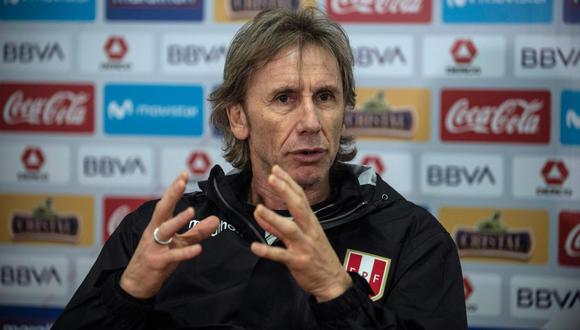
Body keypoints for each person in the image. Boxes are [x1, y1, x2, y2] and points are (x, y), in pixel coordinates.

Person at [54, 7, 467, 330]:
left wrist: (337, 293)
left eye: (325, 97)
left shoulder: (413, 239)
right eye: (284, 98)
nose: (310, 122)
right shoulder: (165, 233)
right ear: (238, 119)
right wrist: (129, 294)